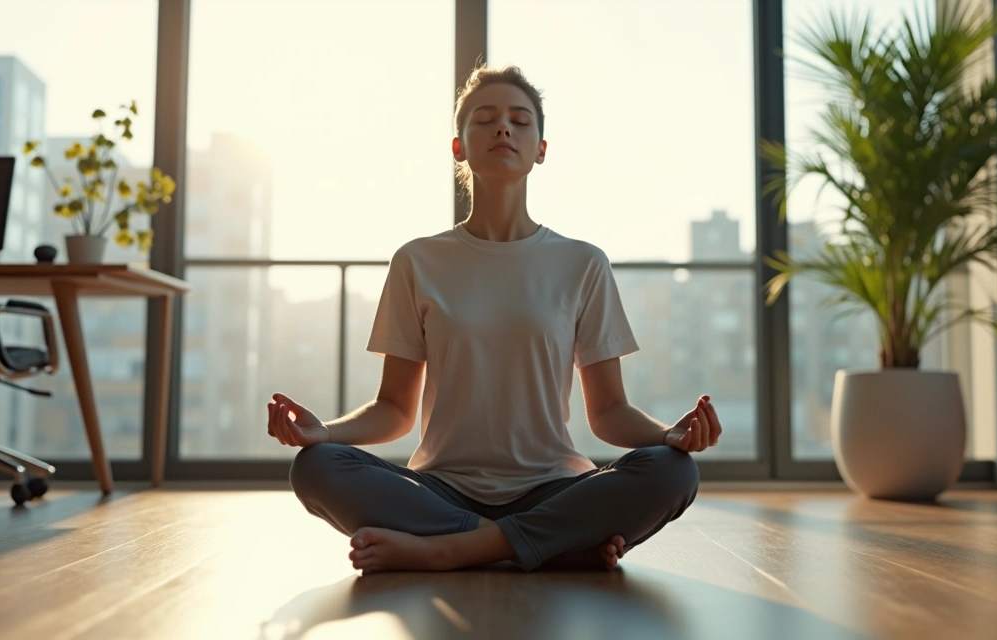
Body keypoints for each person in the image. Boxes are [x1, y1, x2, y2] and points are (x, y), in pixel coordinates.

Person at [266, 65, 722, 575]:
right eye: (485, 119)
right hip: (441, 490)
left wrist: (670, 437)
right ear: (458, 147)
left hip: (552, 486)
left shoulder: (583, 263)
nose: (503, 128)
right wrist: (323, 432)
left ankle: (450, 551)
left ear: (541, 149)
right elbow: (395, 408)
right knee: (317, 467)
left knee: (671, 472)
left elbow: (610, 412)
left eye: (520, 120)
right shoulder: (417, 261)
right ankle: (550, 545)